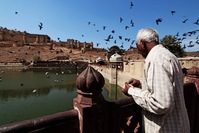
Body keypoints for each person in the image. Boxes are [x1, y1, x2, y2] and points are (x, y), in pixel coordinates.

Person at [122, 28, 190, 133]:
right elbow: (168, 85)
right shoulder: (170, 56)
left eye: (137, 46)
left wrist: (131, 91)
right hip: (179, 125)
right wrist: (141, 84)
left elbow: (161, 104)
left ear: (142, 44)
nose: (138, 51)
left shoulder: (155, 59)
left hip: (165, 128)